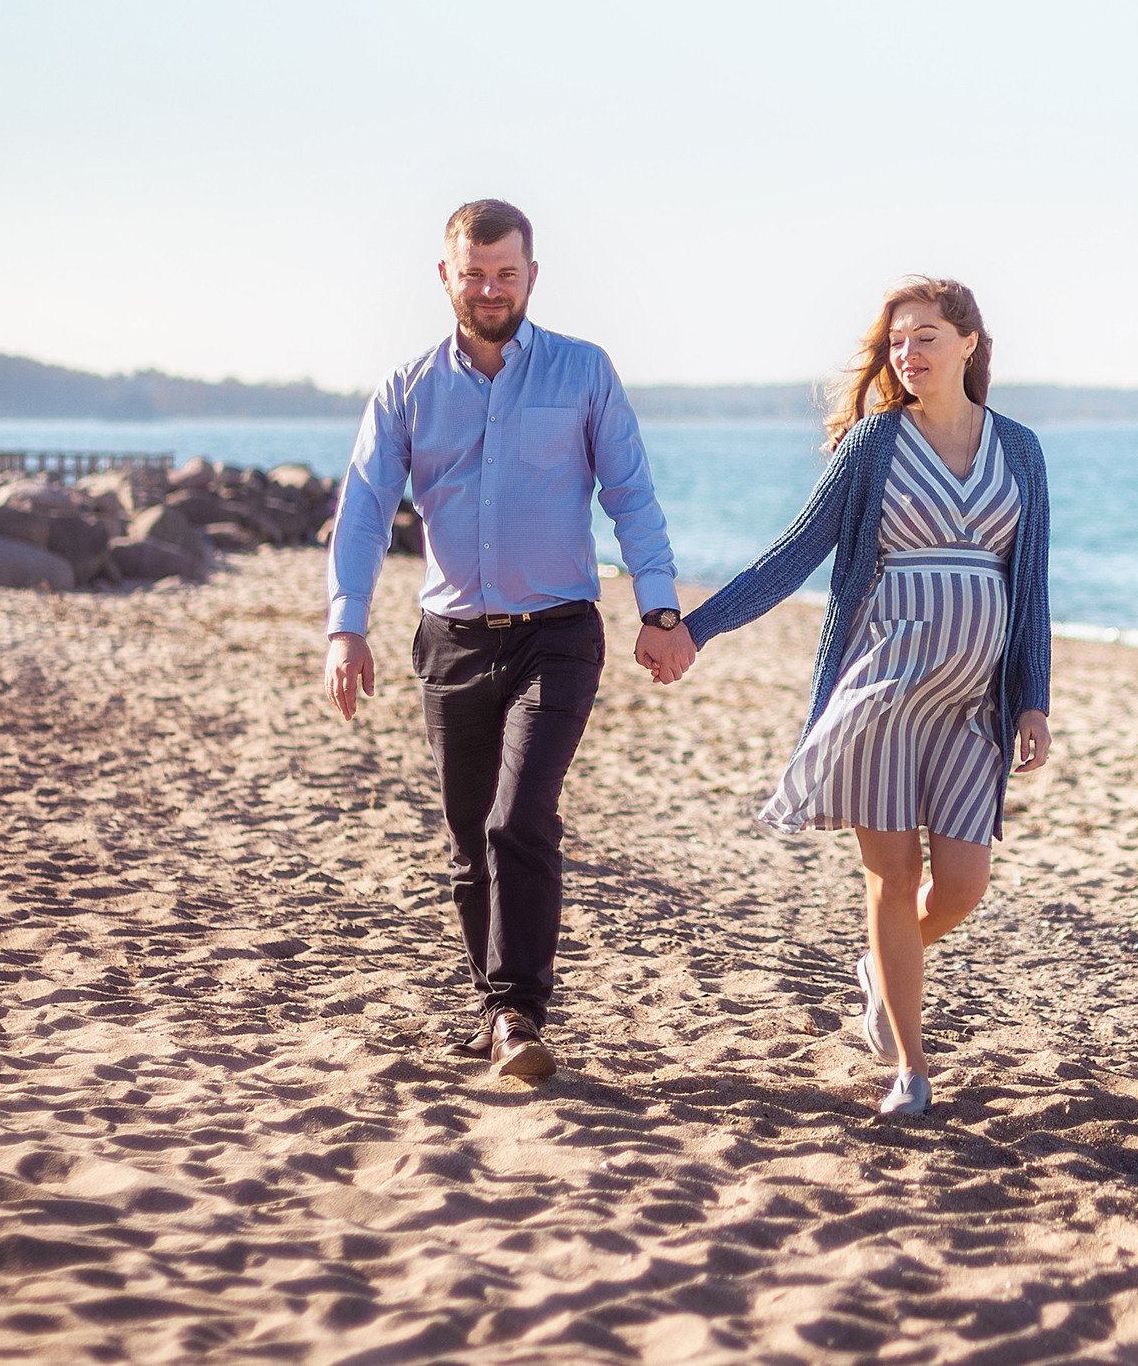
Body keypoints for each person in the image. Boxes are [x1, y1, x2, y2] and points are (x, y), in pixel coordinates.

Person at [321, 199, 697, 1081]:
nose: (491, 289)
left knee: (517, 816)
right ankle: (496, 1007)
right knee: (467, 835)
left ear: (533, 275)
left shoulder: (583, 371)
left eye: (507, 272)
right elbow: (365, 511)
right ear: (446, 275)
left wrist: (661, 607)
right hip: (449, 641)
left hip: (558, 634)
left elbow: (630, 495)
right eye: (475, 272)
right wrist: (346, 627)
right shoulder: (407, 388)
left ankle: (520, 1012)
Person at [683, 278, 1052, 1116]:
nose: (909, 354)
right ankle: (911, 1070)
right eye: (897, 343)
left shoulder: (1020, 450)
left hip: (972, 704)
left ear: (969, 342)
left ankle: (883, 966)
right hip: (880, 688)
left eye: (926, 337)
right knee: (892, 876)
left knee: (962, 884)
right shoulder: (875, 445)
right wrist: (697, 628)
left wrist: (1031, 697)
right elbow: (795, 552)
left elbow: (1030, 585)